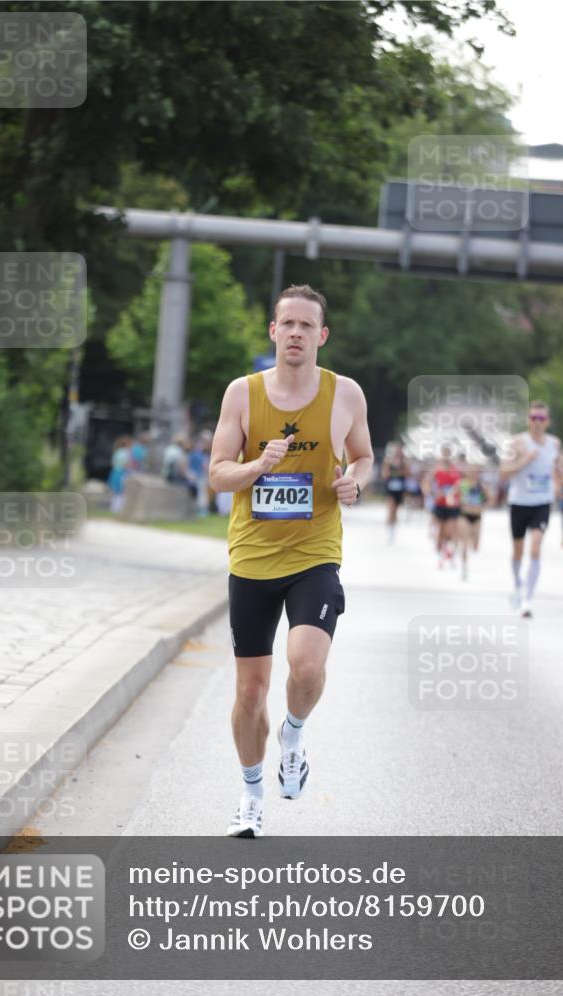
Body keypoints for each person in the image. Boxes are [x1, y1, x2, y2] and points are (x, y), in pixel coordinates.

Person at [209, 283, 373, 838]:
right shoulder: (242, 394)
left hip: (314, 554)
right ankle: (252, 795)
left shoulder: (345, 394)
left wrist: (355, 481)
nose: (297, 333)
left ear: (322, 336)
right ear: (273, 332)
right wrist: (257, 465)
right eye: (289, 324)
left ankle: (295, 735)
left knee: (305, 664)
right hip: (252, 557)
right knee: (250, 691)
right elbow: (216, 474)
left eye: (308, 325)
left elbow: (365, 456)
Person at [500, 400, 560, 618]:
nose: (537, 422)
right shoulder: (517, 442)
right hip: (519, 503)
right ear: (528, 420)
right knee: (518, 550)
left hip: (542, 503)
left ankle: (527, 600)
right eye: (533, 418)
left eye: (541, 418)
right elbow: (504, 473)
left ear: (548, 421)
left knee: (535, 548)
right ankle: (517, 584)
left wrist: (560, 479)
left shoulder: (555, 443)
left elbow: (555, 469)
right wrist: (525, 459)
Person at [426, 446, 461, 569]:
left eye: (448, 455)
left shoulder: (455, 470)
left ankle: (450, 553)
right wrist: (433, 492)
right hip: (440, 504)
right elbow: (427, 484)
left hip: (452, 505)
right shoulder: (437, 470)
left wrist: (451, 492)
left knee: (450, 530)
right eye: (444, 455)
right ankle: (441, 556)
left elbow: (458, 484)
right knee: (441, 532)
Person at [457, 464, 489, 581]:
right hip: (464, 515)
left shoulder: (481, 486)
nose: (472, 473)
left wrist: (483, 506)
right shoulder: (461, 484)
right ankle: (464, 567)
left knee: (475, 546)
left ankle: (470, 546)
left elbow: (491, 499)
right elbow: (451, 495)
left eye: (474, 471)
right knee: (464, 544)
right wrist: (453, 501)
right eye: (469, 470)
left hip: (477, 516)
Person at [381, 441, 409, 543]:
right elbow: (385, 474)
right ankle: (388, 529)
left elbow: (407, 474)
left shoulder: (404, 462)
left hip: (400, 489)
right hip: (390, 488)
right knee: (390, 508)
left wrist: (397, 472)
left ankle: (393, 529)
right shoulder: (388, 461)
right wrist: (395, 472)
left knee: (396, 510)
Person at [107, 435, 131, 513]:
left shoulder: (117, 452)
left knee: (115, 492)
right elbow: (126, 464)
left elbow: (113, 463)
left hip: (115, 472)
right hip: (122, 473)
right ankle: (119, 509)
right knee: (121, 491)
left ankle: (113, 508)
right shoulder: (126, 453)